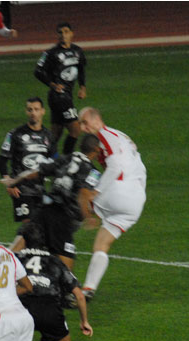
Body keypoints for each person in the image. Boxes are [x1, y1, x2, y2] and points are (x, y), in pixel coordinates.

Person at [0, 134, 102, 270]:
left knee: (18, 246)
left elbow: (35, 172)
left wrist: (14, 181)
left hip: (45, 209)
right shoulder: (93, 172)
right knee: (66, 271)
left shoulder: (66, 159)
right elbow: (84, 193)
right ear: (96, 149)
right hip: (64, 219)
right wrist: (88, 216)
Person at [78, 107, 147, 300]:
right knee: (101, 244)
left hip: (120, 190)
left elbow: (116, 165)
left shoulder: (104, 135)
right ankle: (88, 289)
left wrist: (96, 193)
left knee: (79, 192)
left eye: (85, 123)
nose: (83, 128)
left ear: (96, 119)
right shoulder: (121, 135)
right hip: (136, 201)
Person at [17, 222, 92, 341]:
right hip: (50, 310)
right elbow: (79, 296)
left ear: (25, 241)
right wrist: (84, 321)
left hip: (22, 310)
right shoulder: (55, 261)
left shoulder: (16, 259)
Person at [0, 97, 57, 226]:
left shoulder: (49, 136)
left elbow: (54, 162)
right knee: (29, 227)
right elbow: (2, 160)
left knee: (42, 227)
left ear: (43, 111)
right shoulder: (15, 134)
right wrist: (9, 183)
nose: (33, 113)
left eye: (36, 109)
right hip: (21, 189)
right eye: (30, 110)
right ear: (26, 112)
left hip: (40, 189)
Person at [34, 22, 86, 155]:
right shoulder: (51, 53)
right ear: (57, 35)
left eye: (66, 32)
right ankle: (66, 160)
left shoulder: (77, 51)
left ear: (71, 33)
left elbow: (81, 69)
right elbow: (38, 71)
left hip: (66, 95)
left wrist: (82, 87)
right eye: (60, 32)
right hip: (59, 96)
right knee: (75, 130)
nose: (63, 35)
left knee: (56, 134)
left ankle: (44, 161)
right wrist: (52, 85)